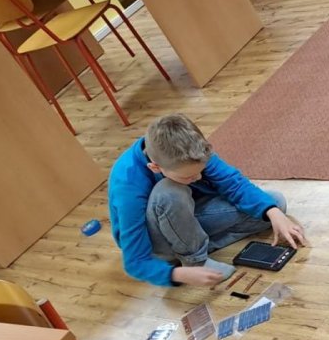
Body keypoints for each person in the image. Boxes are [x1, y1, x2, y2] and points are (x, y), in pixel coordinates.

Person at [108, 113, 308, 287]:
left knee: (275, 203)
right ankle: (195, 260)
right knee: (169, 192)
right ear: (155, 168)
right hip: (157, 240)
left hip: (188, 216)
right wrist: (176, 275)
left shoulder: (191, 149)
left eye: (201, 171)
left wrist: (273, 212)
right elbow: (135, 261)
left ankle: (194, 246)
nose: (198, 178)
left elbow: (233, 183)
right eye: (188, 176)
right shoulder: (127, 183)